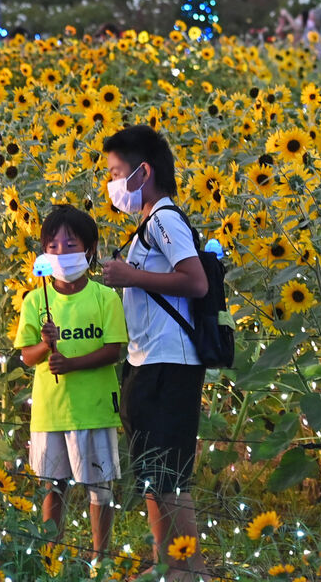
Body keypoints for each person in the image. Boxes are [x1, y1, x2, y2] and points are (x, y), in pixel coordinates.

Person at [100, 125, 209, 580]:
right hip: (148, 362)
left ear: (144, 172)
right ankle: (166, 565)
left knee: (169, 476)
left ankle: (191, 569)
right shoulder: (147, 223)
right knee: (152, 473)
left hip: (172, 363)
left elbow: (196, 281)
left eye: (116, 172)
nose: (111, 184)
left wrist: (131, 277)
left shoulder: (164, 219)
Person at [15, 205, 126, 557]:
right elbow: (27, 357)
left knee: (100, 489)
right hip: (50, 412)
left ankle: (101, 559)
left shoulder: (105, 296)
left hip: (94, 409)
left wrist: (73, 363)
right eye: (53, 246)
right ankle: (52, 558)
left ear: (90, 250)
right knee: (53, 487)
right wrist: (46, 345)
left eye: (71, 244)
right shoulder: (35, 301)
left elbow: (115, 350)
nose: (61, 253)